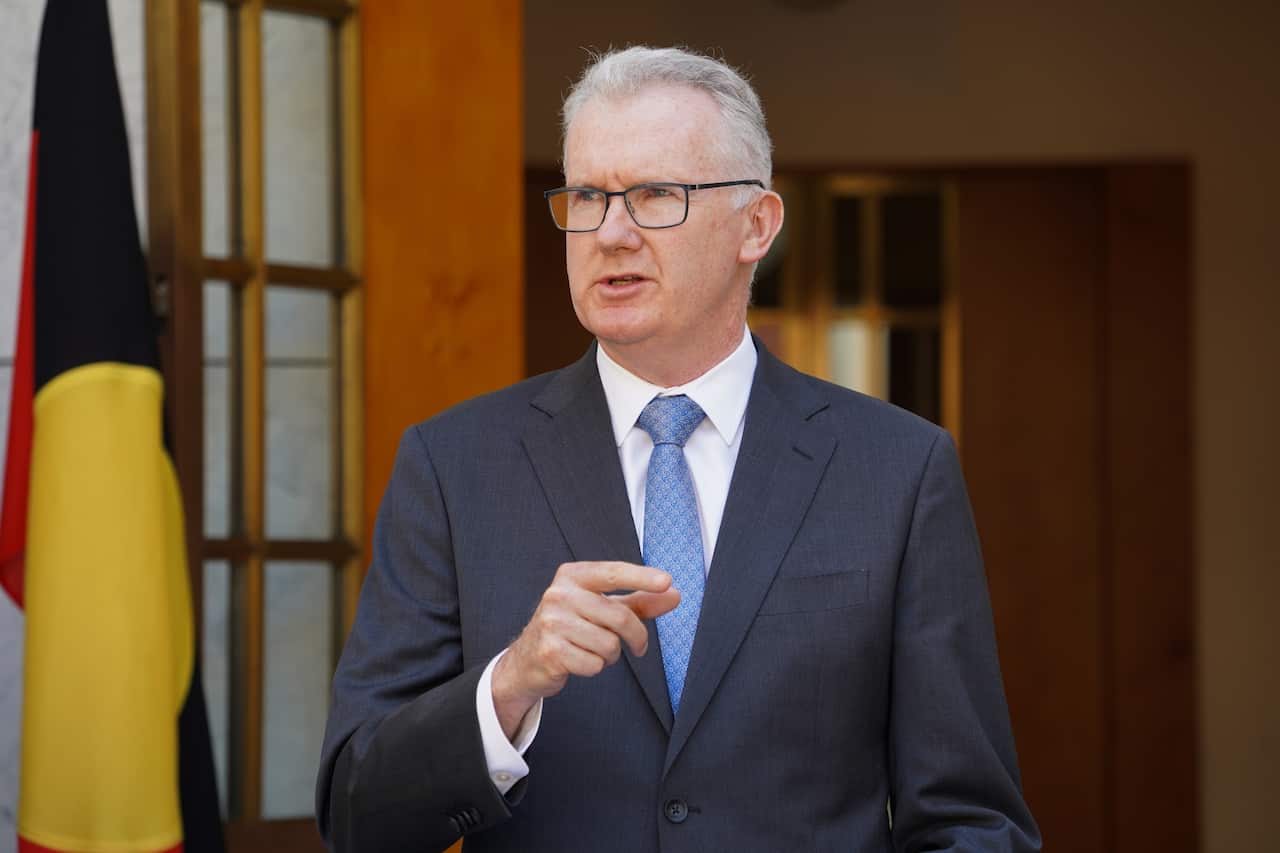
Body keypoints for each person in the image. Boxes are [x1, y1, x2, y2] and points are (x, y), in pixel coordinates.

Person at [316, 46, 1040, 852]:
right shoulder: (453, 466)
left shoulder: (899, 471)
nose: (611, 232)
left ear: (755, 226)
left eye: (655, 195)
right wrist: (508, 686)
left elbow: (974, 824)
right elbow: (356, 810)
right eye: (587, 196)